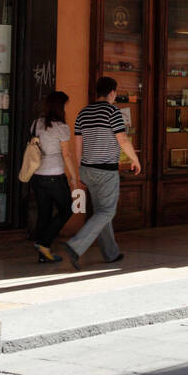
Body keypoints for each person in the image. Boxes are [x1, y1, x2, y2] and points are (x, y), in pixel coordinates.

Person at [58, 76, 142, 270]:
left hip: (87, 169)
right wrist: (134, 159)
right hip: (105, 171)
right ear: (112, 93)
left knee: (101, 212)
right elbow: (122, 140)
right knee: (107, 211)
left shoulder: (83, 113)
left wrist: (79, 170)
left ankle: (110, 253)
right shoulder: (113, 111)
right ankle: (75, 245)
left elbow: (77, 144)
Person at [30, 90, 77, 263]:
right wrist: (73, 176)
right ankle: (44, 243)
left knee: (45, 213)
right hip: (54, 176)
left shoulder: (36, 124)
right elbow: (67, 155)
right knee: (66, 210)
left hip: (37, 176)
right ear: (60, 106)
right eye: (65, 105)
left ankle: (43, 253)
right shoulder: (61, 128)